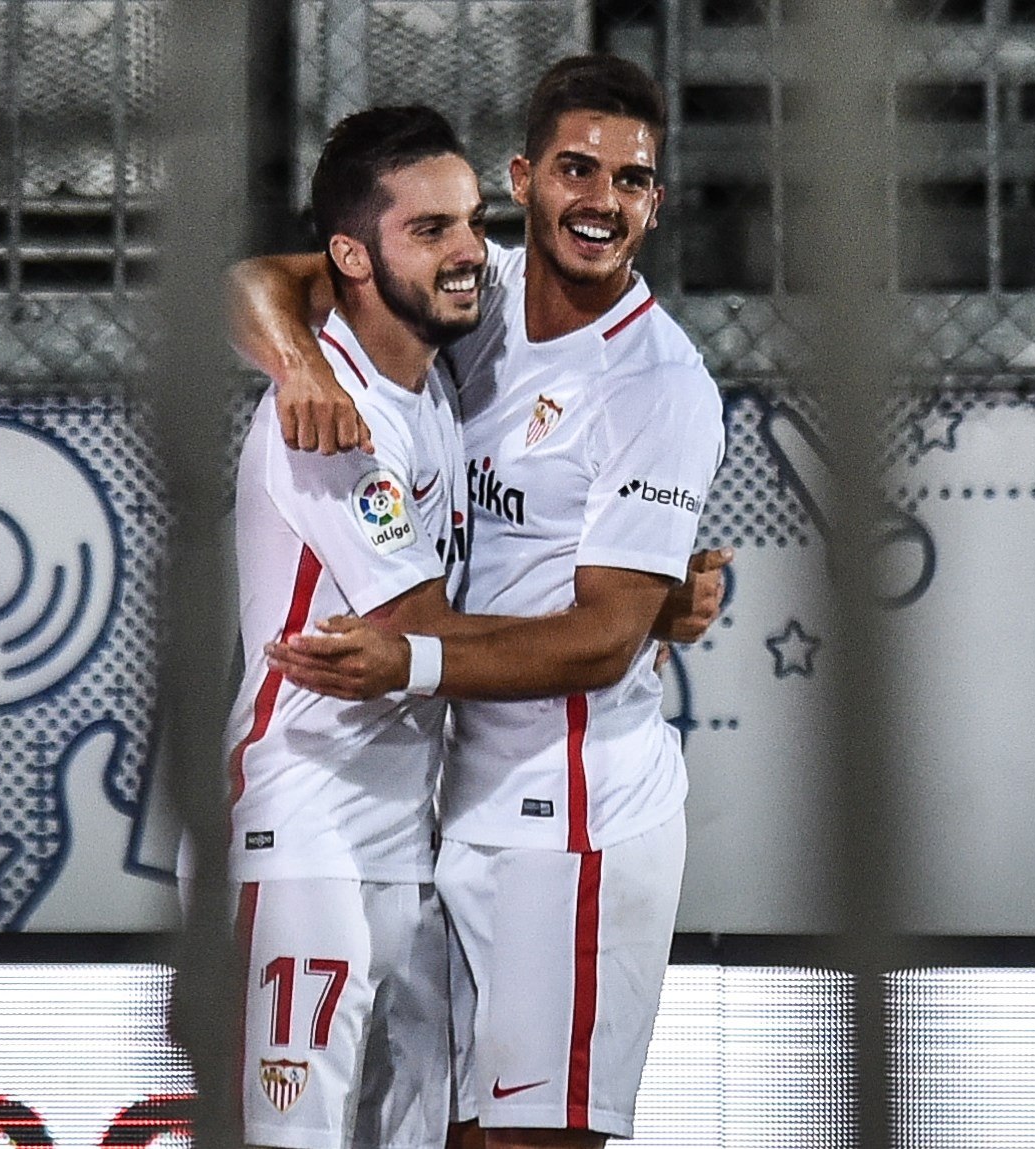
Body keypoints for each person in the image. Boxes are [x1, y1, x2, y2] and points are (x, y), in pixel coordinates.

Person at [233, 56, 728, 1149]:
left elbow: (600, 639)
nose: (602, 200)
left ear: (658, 200)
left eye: (632, 180)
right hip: (441, 811)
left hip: (575, 817)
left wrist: (647, 610)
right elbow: (260, 279)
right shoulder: (471, 291)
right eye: (576, 169)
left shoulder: (659, 384)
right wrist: (295, 367)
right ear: (526, 179)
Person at [189, 104, 483, 1149]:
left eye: (473, 223)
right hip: (301, 828)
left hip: (403, 833)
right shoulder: (327, 417)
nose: (469, 255)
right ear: (352, 256)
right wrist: (603, 633)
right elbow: (426, 633)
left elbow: (260, 278)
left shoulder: (430, 380)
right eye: (433, 230)